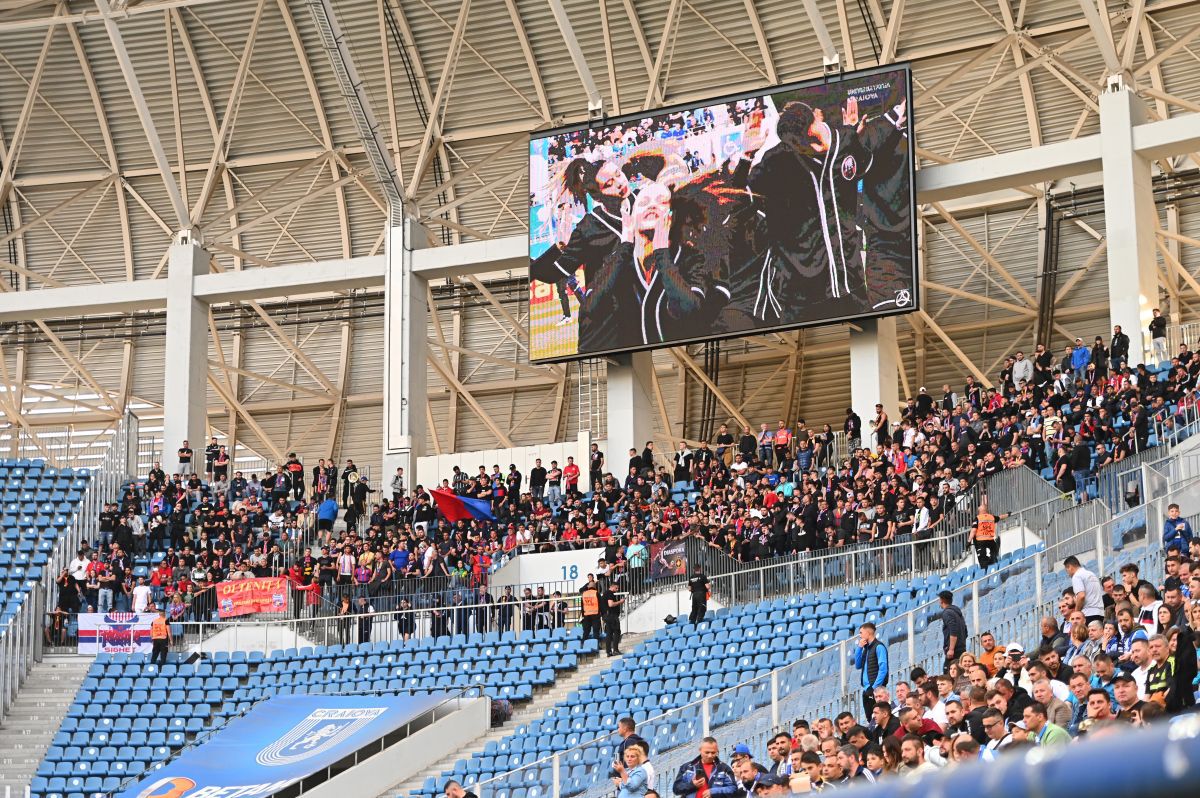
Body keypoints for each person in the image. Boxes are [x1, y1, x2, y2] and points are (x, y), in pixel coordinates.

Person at [672, 737, 737, 798]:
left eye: (713, 753)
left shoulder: (724, 768)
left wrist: (713, 792)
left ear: (717, 751)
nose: (710, 755)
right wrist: (692, 785)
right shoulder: (687, 767)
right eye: (707, 752)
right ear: (700, 750)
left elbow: (733, 789)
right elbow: (676, 789)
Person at [854, 622, 889, 717]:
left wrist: (874, 687)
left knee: (878, 716)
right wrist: (859, 648)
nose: (860, 635)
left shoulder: (879, 647)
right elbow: (857, 665)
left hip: (875, 689)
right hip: (866, 689)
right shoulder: (865, 648)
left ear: (868, 633)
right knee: (870, 718)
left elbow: (883, 669)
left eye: (861, 632)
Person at [968, 495, 1008, 569]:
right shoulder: (991, 517)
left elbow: (973, 530)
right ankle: (992, 559)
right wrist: (1008, 514)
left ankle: (986, 570)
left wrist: (969, 541)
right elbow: (1000, 517)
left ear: (980, 511)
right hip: (990, 540)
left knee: (982, 561)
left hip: (980, 541)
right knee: (994, 551)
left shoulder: (977, 518)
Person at [1064, 556, 1105, 625]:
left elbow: (1081, 595)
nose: (1067, 573)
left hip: (1088, 613)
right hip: (1100, 613)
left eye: (1066, 570)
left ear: (1070, 567)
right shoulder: (1092, 574)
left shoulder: (1077, 576)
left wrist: (1076, 612)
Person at [938, 590, 968, 670]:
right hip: (961, 647)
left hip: (955, 650)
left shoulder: (947, 612)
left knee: (948, 672)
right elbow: (965, 631)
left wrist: (951, 649)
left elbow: (953, 630)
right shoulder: (957, 612)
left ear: (942, 600)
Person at [602, 581, 625, 656]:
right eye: (616, 588)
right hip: (612, 616)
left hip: (606, 616)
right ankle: (615, 650)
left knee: (609, 634)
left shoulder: (605, 594)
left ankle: (608, 651)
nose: (617, 589)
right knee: (617, 632)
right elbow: (611, 604)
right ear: (612, 586)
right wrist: (620, 602)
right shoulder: (609, 593)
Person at [580, 573, 603, 642]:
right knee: (596, 632)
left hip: (586, 615)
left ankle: (583, 645)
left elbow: (582, 605)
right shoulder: (596, 593)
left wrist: (583, 615)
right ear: (595, 587)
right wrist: (602, 613)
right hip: (595, 614)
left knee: (586, 632)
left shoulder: (584, 594)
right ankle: (596, 645)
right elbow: (600, 604)